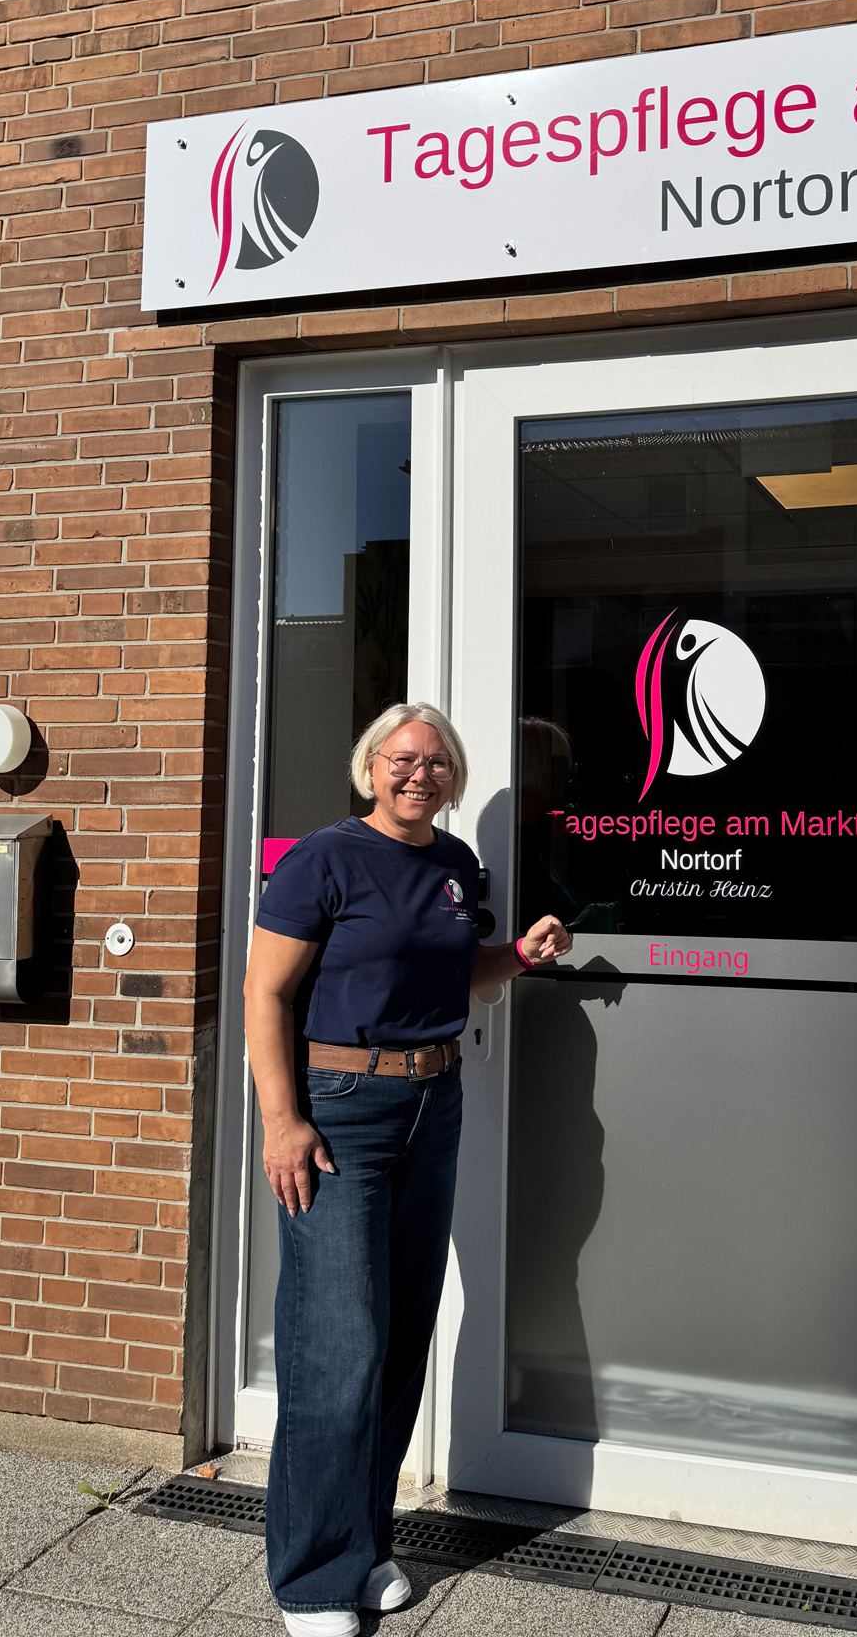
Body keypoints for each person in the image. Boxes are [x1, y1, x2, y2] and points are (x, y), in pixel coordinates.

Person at [243, 701, 572, 1637]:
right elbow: (266, 992)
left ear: (453, 778)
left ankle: (364, 1546)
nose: (419, 773)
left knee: (397, 1337)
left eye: (435, 762)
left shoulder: (455, 866)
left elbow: (449, 976)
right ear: (368, 769)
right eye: (402, 759)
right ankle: (310, 1578)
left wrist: (515, 956)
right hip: (340, 1112)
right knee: (334, 1341)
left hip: (435, 1103)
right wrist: (282, 1121)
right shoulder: (323, 859)